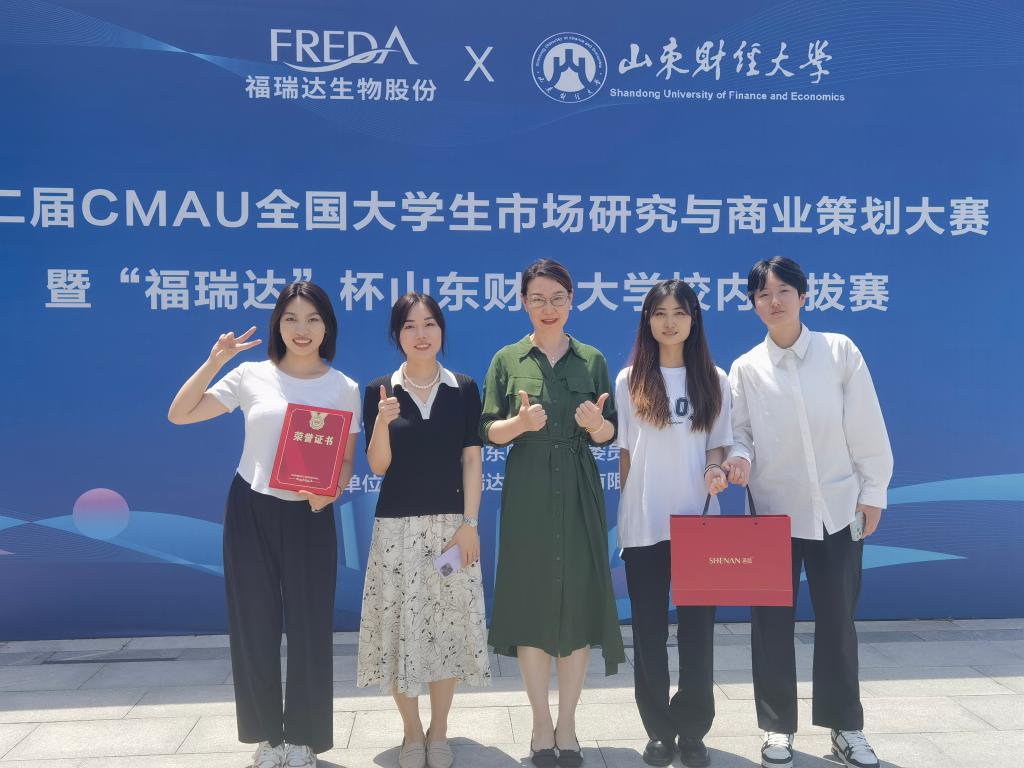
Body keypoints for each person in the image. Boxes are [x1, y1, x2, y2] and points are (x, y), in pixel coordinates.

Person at [167, 281, 360, 768]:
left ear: (327, 327)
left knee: (310, 626)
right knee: (254, 623)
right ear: (278, 325)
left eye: (313, 318)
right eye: (291, 318)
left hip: (310, 515)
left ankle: (304, 739)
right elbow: (180, 414)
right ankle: (268, 739)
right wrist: (215, 361)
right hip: (251, 508)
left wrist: (331, 491)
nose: (302, 328)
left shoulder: (344, 387)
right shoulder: (251, 374)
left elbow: (345, 461)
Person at [722, 257, 893, 768]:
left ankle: (846, 728)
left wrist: (873, 491)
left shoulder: (839, 351)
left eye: (783, 291)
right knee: (770, 624)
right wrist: (739, 460)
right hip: (772, 513)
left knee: (839, 621)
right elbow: (740, 434)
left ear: (803, 295)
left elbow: (865, 423)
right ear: (753, 304)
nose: (773, 302)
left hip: (838, 509)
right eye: (762, 295)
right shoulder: (746, 367)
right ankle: (777, 728)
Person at [480, 258, 625, 768]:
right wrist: (518, 424)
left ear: (572, 301)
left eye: (557, 298)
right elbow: (487, 431)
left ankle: (568, 724)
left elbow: (610, 432)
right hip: (528, 490)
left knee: (577, 602)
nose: (548, 308)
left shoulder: (592, 359)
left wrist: (596, 426)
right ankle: (541, 723)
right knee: (533, 602)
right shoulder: (507, 359)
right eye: (538, 299)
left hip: (580, 486)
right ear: (523, 302)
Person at [357, 293, 490, 768]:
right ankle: (411, 731)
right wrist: (382, 423)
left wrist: (469, 525)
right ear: (397, 335)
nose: (421, 334)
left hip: (451, 532)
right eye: (410, 326)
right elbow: (378, 466)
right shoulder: (380, 390)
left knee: (447, 630)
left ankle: (439, 730)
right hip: (396, 531)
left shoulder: (464, 388)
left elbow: (472, 460)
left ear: (441, 331)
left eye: (429, 324)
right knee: (400, 631)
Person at [615, 279, 732, 768]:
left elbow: (718, 445)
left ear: (693, 320)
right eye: (659, 313)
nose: (669, 322)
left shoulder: (714, 378)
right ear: (647, 320)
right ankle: (659, 731)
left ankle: (693, 730)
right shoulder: (629, 380)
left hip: (698, 525)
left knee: (697, 635)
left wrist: (716, 470)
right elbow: (625, 454)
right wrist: (628, 511)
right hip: (644, 526)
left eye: (679, 313)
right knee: (648, 635)